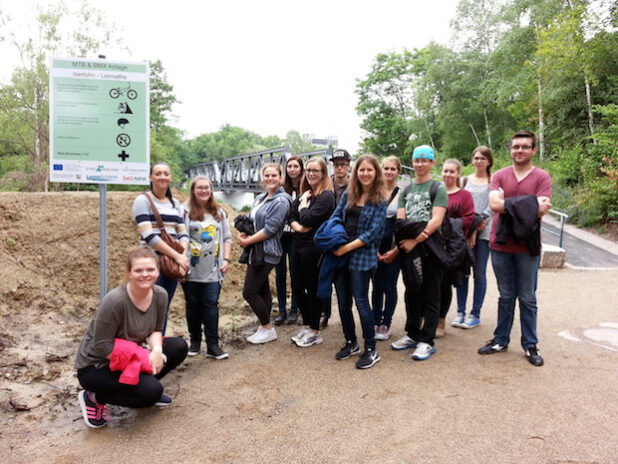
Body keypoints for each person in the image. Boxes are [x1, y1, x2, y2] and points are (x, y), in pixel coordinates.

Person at [75, 247, 188, 429]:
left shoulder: (160, 295)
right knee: (151, 393)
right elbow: (101, 347)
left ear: (158, 272)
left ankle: (139, 386)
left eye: (150, 270)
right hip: (97, 366)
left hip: (128, 354)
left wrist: (157, 351)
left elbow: (156, 330)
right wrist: (144, 359)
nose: (145, 274)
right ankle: (95, 397)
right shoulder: (115, 301)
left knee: (178, 347)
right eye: (138, 270)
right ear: (129, 273)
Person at [478, 130, 551, 366]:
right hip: (500, 244)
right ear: (510, 150)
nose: (519, 150)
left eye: (524, 146)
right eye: (515, 146)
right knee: (506, 296)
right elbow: (493, 205)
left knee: (527, 297)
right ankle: (501, 339)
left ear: (533, 150)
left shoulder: (542, 177)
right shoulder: (499, 175)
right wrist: (528, 203)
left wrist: (507, 202)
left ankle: (530, 344)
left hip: (528, 246)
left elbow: (542, 209)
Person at [392, 145, 447, 361]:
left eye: (425, 160)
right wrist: (410, 237)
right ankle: (412, 333)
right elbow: (400, 221)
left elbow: (436, 220)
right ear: (413, 162)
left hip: (430, 247)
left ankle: (427, 340)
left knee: (432, 293)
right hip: (410, 249)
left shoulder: (437, 188)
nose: (420, 164)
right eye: (417, 160)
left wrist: (415, 239)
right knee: (412, 291)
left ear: (432, 163)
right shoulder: (406, 190)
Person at [331, 154, 387, 369]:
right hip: (341, 255)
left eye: (369, 170)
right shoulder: (349, 193)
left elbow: (373, 234)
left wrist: (346, 247)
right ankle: (351, 342)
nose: (365, 174)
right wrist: (335, 239)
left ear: (375, 173)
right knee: (343, 302)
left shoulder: (380, 200)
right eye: (361, 170)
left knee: (362, 302)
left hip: (362, 258)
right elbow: (336, 217)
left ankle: (371, 349)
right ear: (357, 172)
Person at [132, 161, 189, 335]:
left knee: (163, 308)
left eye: (165, 173)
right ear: (150, 177)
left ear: (170, 177)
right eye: (158, 173)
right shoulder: (143, 200)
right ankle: (143, 351)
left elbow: (183, 233)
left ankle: (159, 348)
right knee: (147, 308)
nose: (162, 177)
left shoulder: (175, 204)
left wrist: (183, 257)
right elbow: (149, 236)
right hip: (151, 263)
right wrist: (178, 257)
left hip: (171, 264)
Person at [238, 163, 292, 344]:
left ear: (281, 177)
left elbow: (270, 229)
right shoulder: (261, 197)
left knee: (249, 291)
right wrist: (244, 232)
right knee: (261, 289)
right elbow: (254, 222)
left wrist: (247, 241)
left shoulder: (282, 201)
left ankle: (268, 328)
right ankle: (264, 327)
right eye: (267, 175)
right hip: (256, 249)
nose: (270, 179)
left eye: (274, 175)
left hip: (268, 250)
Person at [180, 177, 232, 359]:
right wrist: (181, 263)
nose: (204, 191)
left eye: (207, 188)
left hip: (214, 270)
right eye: (200, 188)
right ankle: (195, 342)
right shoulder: (184, 211)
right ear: (193, 190)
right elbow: (181, 237)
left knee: (211, 306)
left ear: (211, 190)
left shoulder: (219, 212)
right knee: (193, 306)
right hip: (191, 268)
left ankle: (213, 345)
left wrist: (226, 260)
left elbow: (227, 238)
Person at [288, 157, 335, 347]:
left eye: (315, 170)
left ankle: (315, 331)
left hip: (314, 248)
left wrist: (304, 206)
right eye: (308, 170)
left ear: (323, 173)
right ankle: (307, 325)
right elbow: (291, 215)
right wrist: (298, 227)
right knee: (297, 287)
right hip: (299, 244)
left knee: (312, 288)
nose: (311, 174)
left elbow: (307, 218)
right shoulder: (306, 193)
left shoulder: (326, 196)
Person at [454, 146, 494, 330]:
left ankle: (475, 313)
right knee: (462, 272)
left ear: (489, 161)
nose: (479, 161)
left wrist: (478, 226)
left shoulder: (493, 181)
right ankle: (460, 311)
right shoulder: (464, 180)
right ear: (472, 160)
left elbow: (492, 206)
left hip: (484, 232)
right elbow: (461, 203)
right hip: (465, 231)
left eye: (483, 158)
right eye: (476, 157)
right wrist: (469, 228)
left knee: (479, 273)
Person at [436, 159, 475, 337]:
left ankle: (441, 321)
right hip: (434, 243)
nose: (448, 175)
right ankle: (428, 318)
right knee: (431, 284)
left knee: (445, 285)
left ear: (458, 174)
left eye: (452, 172)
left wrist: (443, 224)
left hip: (452, 246)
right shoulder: (436, 191)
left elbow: (468, 219)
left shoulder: (464, 196)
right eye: (445, 171)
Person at [321, 148, 353, 329]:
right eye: (336, 164)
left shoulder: (354, 186)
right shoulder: (326, 184)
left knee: (344, 284)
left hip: (345, 238)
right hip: (327, 237)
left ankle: (345, 316)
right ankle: (325, 313)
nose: (339, 168)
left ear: (348, 166)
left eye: (342, 164)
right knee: (325, 277)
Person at [372, 156, 402, 341]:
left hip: (393, 246)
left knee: (390, 286)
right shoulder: (374, 192)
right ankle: (376, 321)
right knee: (376, 286)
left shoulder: (403, 193)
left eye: (393, 169)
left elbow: (405, 222)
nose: (389, 172)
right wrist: (371, 247)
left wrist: (397, 249)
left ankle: (386, 323)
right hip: (374, 245)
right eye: (386, 168)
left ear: (398, 171)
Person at [274, 156, 303, 325]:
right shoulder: (280, 187)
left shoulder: (305, 187)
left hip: (296, 236)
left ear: (301, 168)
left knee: (294, 273)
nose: (292, 169)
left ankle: (294, 309)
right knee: (279, 273)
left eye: (295, 166)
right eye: (289, 166)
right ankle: (282, 310)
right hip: (280, 236)